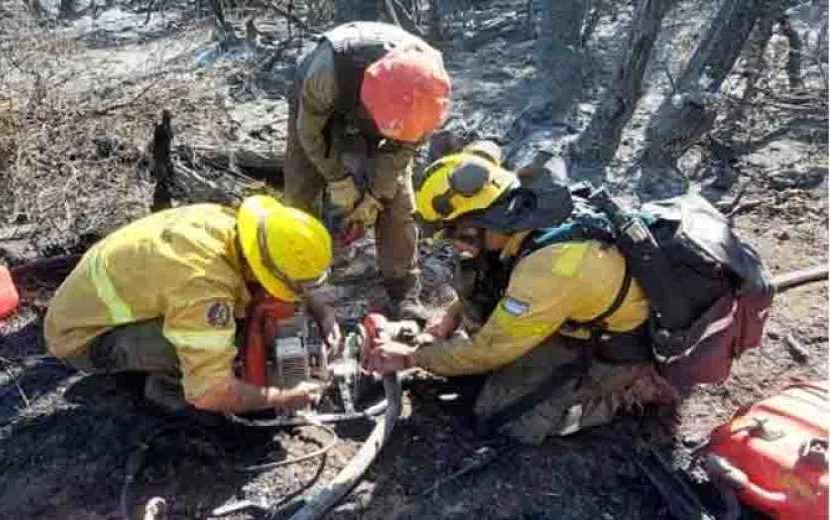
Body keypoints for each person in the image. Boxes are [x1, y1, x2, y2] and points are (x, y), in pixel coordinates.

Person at [365, 141, 680, 445]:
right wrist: (447, 321)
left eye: (453, 231)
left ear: (481, 220)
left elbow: (489, 351)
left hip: (616, 345)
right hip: (566, 310)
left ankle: (630, 390)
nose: (452, 243)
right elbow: (490, 282)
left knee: (504, 416)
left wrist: (409, 358)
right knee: (478, 279)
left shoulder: (550, 268)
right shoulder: (518, 211)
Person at [44, 195, 341, 414]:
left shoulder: (231, 226)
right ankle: (167, 388)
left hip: (90, 301)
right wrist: (282, 396)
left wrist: (322, 312)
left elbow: (279, 267)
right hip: (82, 337)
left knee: (230, 324)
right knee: (221, 347)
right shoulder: (201, 286)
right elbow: (211, 392)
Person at [284, 20, 452, 321]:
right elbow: (311, 136)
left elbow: (402, 152)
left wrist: (374, 197)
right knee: (300, 186)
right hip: (324, 96)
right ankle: (295, 282)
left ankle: (403, 289)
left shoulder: (430, 92)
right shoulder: (326, 75)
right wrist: (337, 178)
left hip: (389, 106)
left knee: (398, 201)